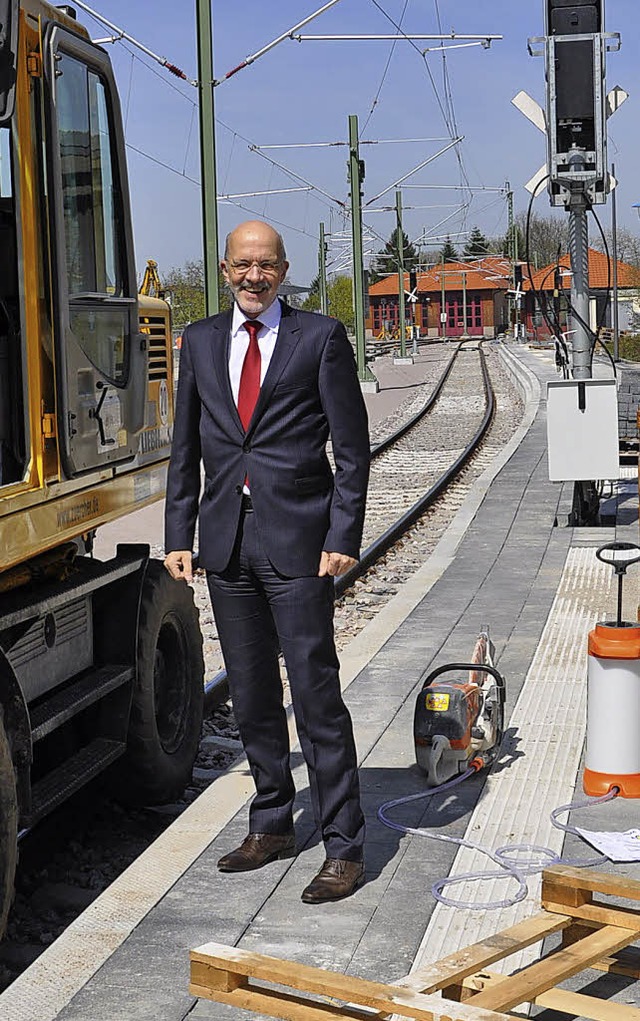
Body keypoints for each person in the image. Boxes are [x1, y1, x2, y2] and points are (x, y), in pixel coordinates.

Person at [164, 220, 370, 903]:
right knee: (251, 695)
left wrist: (343, 533)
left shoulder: (320, 339)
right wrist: (178, 532)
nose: (254, 276)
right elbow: (185, 449)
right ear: (224, 270)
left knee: (314, 693)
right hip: (225, 544)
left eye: (267, 265)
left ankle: (344, 844)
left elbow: (351, 447)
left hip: (300, 543)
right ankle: (273, 820)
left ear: (285, 270)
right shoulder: (196, 342)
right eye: (242, 264)